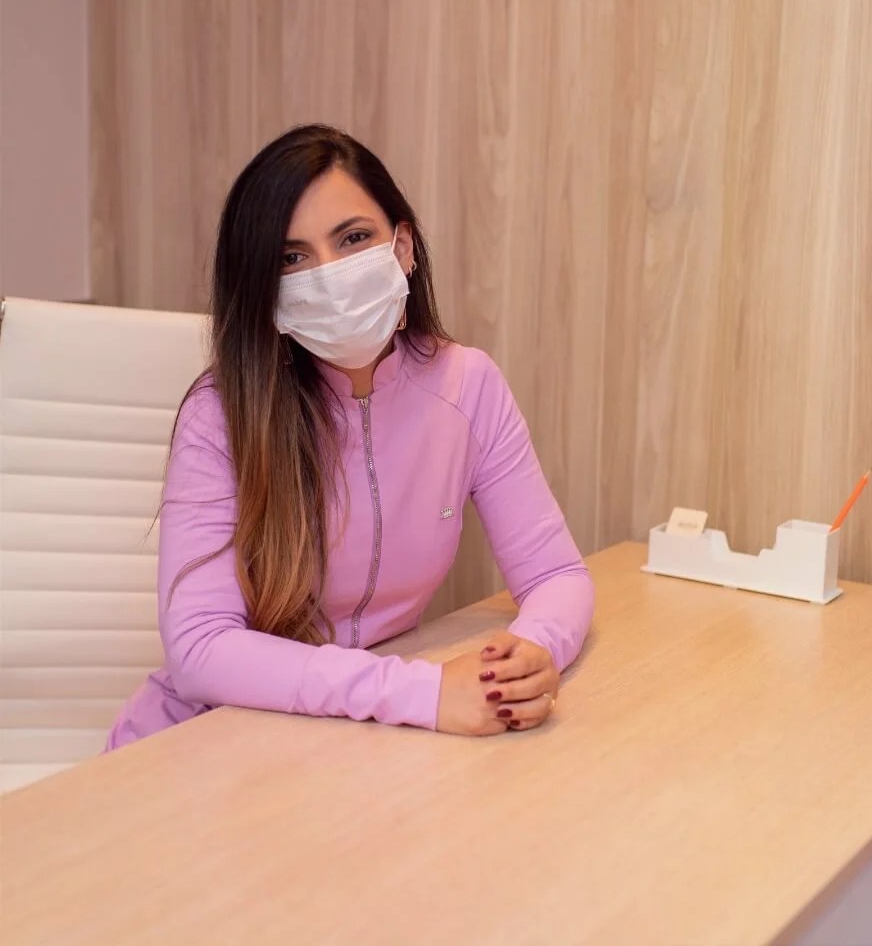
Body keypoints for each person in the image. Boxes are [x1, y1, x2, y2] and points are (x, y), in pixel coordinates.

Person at [106, 124, 594, 748]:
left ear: (404, 247)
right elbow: (201, 649)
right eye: (293, 257)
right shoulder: (220, 413)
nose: (328, 275)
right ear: (265, 290)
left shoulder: (468, 386)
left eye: (353, 238)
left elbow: (557, 574)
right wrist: (420, 693)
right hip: (202, 744)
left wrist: (529, 656)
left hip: (356, 748)